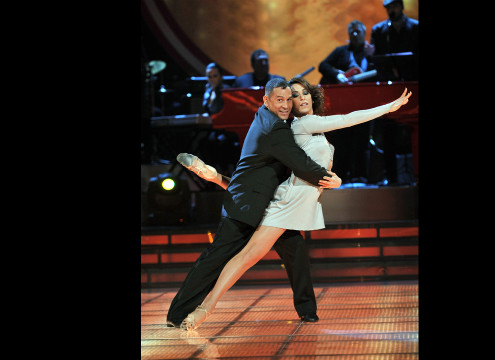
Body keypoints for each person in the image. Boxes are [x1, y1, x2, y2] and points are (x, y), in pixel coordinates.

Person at [175, 77, 412, 331]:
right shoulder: (304, 124)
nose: (301, 99)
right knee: (245, 258)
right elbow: (347, 119)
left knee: (273, 254)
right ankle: (203, 310)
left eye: (304, 93)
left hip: (296, 201)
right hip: (288, 203)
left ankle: (216, 177)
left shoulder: (312, 129)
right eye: (294, 97)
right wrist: (387, 107)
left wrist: (334, 181)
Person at [166, 78, 335, 328]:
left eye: (289, 99)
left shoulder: (273, 120)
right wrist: (330, 179)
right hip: (247, 205)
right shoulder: (276, 129)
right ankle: (177, 314)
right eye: (280, 100)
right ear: (266, 100)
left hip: (272, 204)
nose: (287, 104)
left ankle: (307, 309)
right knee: (216, 258)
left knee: (295, 251)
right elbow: (302, 165)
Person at [369, 0, 419, 82]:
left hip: (414, 78)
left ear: (401, 7)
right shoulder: (378, 30)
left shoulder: (416, 27)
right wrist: (370, 53)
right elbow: (375, 58)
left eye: (394, 6)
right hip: (388, 79)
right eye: (388, 7)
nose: (391, 10)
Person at [318, 20, 376, 85]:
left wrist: (371, 57)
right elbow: (322, 65)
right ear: (349, 35)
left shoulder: (372, 51)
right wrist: (337, 75)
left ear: (364, 33)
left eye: (358, 31)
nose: (355, 34)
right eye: (352, 32)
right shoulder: (340, 51)